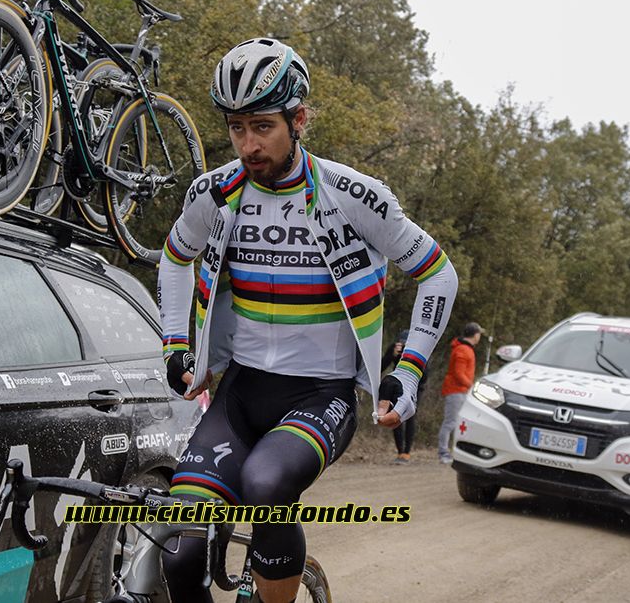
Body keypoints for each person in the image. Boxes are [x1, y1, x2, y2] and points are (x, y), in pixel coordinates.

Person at [157, 37, 458, 603]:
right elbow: (174, 256)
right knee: (180, 545)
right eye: (237, 128)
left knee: (266, 486)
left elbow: (439, 273)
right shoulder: (217, 194)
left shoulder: (353, 196)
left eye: (262, 127)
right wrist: (177, 343)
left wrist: (409, 371)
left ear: (298, 119)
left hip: (321, 394)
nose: (249, 145)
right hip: (241, 392)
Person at [437, 322, 484, 464]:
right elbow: (458, 373)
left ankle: (454, 451)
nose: (480, 337)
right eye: (479, 334)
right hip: (456, 391)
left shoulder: (466, 349)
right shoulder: (463, 350)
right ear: (475, 335)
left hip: (461, 390)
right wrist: (472, 386)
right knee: (450, 422)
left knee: (457, 423)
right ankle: (443, 453)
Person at [381, 331, 426, 464]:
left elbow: (425, 375)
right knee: (396, 415)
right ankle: (400, 451)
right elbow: (382, 366)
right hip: (398, 386)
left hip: (416, 387)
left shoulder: (418, 352)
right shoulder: (395, 348)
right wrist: (392, 355)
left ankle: (407, 452)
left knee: (410, 416)